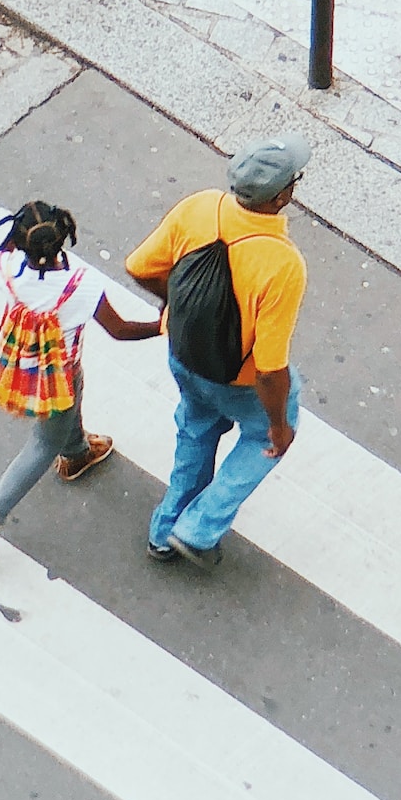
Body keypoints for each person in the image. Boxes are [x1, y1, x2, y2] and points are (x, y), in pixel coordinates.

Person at [125, 135, 311, 568]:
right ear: (281, 195)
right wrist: (279, 427)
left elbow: (140, 267)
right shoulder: (282, 264)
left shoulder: (199, 206)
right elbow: (269, 369)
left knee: (196, 429)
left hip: (184, 355)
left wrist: (175, 307)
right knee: (263, 438)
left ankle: (163, 532)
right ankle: (197, 529)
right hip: (238, 381)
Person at [0, 200, 161, 561]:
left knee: (67, 415)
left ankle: (77, 454)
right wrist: (164, 324)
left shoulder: (4, 269)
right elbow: (121, 329)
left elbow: (2, 253)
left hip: (22, 365)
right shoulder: (80, 285)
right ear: (63, 239)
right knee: (43, 443)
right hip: (57, 377)